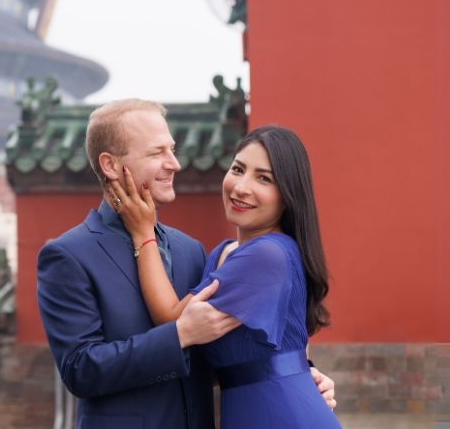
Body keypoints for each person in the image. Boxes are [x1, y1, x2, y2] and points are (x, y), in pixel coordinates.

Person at [36, 100, 334, 429]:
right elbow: (81, 370)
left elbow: (215, 354)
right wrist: (179, 335)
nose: (175, 164)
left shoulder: (189, 250)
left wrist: (299, 372)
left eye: (172, 150)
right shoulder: (68, 255)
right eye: (157, 153)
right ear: (110, 165)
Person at [108, 124, 341, 428]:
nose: (241, 187)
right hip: (254, 409)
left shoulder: (267, 255)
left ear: (288, 195)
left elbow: (174, 323)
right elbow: (284, 337)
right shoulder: (225, 252)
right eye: (238, 169)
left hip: (282, 414)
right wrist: (303, 368)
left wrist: (142, 233)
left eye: (264, 178)